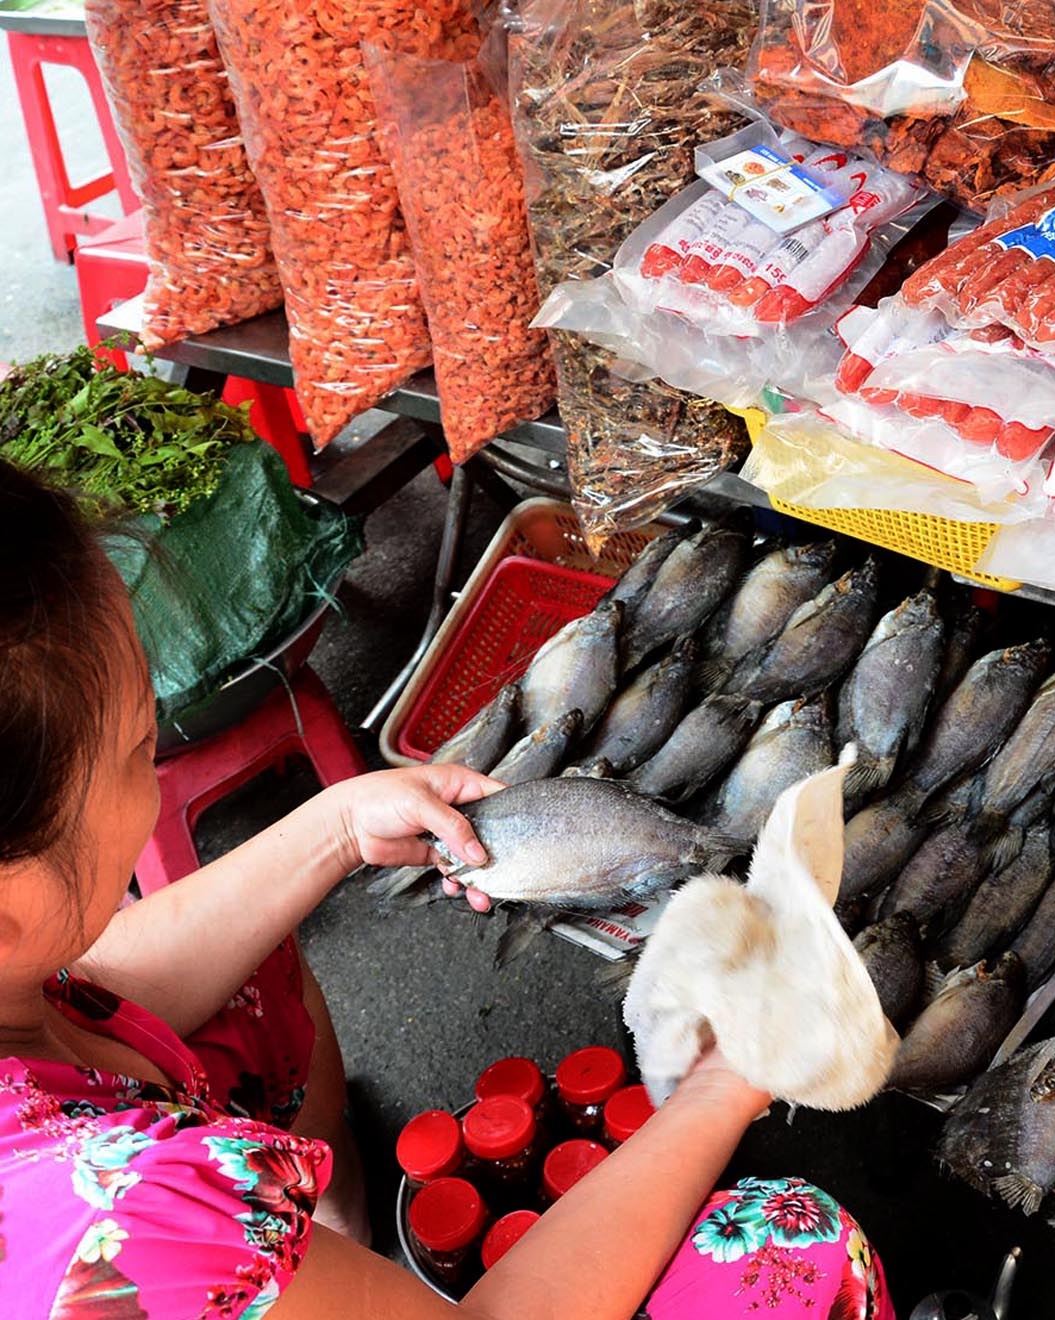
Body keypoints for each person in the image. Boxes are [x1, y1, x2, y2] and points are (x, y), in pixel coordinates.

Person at [0, 460, 892, 1320]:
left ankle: (331, 1238)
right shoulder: (125, 1230)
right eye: (133, 753)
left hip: (182, 1190)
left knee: (248, 960)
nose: (153, 768)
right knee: (795, 1244)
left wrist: (339, 828)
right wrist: (726, 1081)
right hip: (178, 1251)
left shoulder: (19, 982)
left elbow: (107, 988)